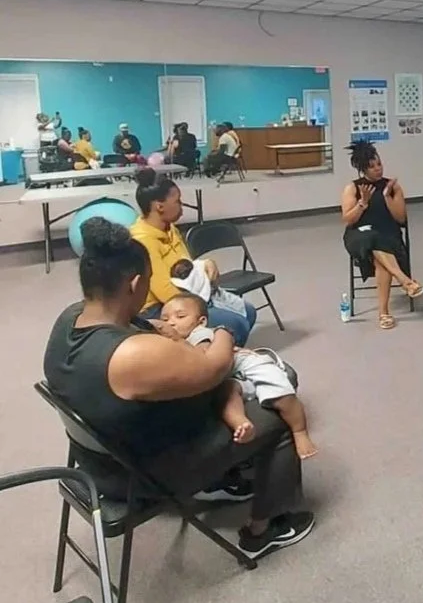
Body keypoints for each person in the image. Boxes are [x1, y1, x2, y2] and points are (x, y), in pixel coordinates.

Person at [43, 217, 314, 560]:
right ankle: (267, 528)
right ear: (136, 283)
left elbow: (146, 327)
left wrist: (162, 330)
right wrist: (222, 334)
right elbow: (215, 367)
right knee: (276, 410)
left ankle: (224, 478)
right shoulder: (130, 355)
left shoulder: (70, 319)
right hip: (140, 475)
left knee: (243, 390)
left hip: (97, 458)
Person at [159, 293, 317, 459]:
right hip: (227, 376)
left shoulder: (199, 334)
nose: (171, 322)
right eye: (165, 319)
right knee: (226, 394)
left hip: (246, 364)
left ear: (201, 322)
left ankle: (299, 431)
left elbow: (204, 360)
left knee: (280, 392)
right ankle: (241, 424)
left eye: (180, 316)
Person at [129, 168, 257, 345]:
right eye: (178, 201)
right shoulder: (142, 240)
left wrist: (206, 264)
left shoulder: (169, 228)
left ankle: (215, 353)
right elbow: (166, 293)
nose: (182, 206)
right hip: (158, 309)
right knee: (236, 323)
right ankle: (212, 361)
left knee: (248, 311)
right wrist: (201, 304)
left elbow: (186, 266)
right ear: (159, 206)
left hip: (185, 296)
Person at [341, 140, 423, 330]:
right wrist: (363, 203)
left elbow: (401, 217)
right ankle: (404, 282)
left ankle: (385, 312)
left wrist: (387, 196)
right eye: (372, 167)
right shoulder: (353, 188)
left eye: (379, 164)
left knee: (380, 252)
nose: (378, 169)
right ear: (363, 169)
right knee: (373, 240)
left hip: (388, 236)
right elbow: (349, 220)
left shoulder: (392, 187)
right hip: (360, 236)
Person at [171, 257, 248, 320]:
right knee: (238, 319)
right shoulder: (179, 284)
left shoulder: (196, 267)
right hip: (195, 305)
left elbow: (195, 263)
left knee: (248, 310)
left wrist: (207, 263)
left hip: (212, 295)